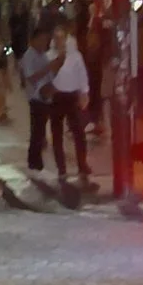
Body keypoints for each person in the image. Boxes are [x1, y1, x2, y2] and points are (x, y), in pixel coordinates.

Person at [48, 19, 93, 190]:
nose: (59, 40)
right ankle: (62, 169)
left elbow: (82, 75)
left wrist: (84, 92)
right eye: (56, 37)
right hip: (56, 97)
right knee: (57, 134)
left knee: (78, 133)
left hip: (71, 97)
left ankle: (82, 165)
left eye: (62, 37)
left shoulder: (75, 56)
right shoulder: (50, 56)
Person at [18, 22, 58, 173]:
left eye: (45, 40)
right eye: (41, 40)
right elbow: (31, 78)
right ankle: (34, 162)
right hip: (36, 98)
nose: (43, 43)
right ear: (33, 40)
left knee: (40, 131)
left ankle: (36, 161)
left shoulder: (43, 55)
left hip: (45, 97)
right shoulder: (29, 56)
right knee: (37, 131)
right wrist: (48, 68)